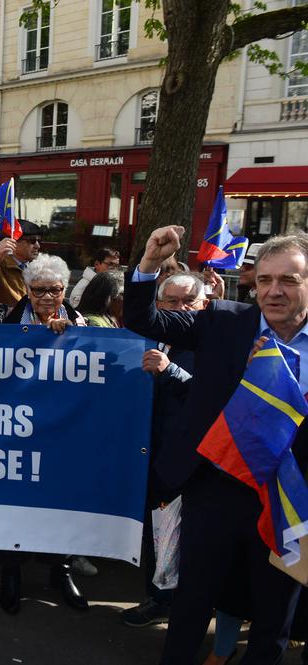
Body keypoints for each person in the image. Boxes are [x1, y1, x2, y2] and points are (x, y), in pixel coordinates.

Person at [124, 226, 307, 665]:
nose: (274, 291)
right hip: (216, 488)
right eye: (264, 280)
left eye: (289, 280)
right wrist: (149, 263)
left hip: (287, 497)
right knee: (193, 600)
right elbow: (144, 320)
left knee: (273, 613)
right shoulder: (224, 321)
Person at [0, 254, 88, 615]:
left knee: (60, 502)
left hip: (61, 431)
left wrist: (73, 339)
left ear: (65, 290)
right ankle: (11, 571)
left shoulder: (80, 322)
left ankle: (60, 570)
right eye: (39, 290)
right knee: (13, 502)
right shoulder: (7, 320)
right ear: (27, 291)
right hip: (14, 431)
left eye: (55, 289)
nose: (47, 297)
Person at [121, 273, 204, 629]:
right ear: (157, 305)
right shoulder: (145, 336)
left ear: (204, 305)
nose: (179, 309)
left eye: (188, 302)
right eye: (170, 301)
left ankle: (169, 602)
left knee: (184, 539)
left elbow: (209, 401)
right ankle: (159, 595)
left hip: (191, 464)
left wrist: (171, 371)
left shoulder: (212, 342)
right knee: (158, 535)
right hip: (148, 456)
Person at [0, 221, 46, 313]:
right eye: (32, 241)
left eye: (39, 241)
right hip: (3, 325)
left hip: (33, 324)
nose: (37, 246)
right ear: (13, 241)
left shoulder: (40, 267)